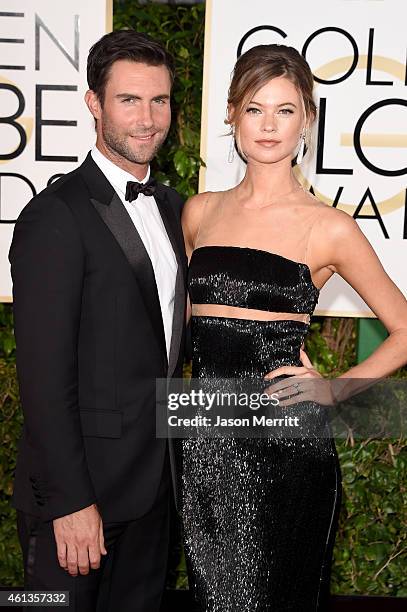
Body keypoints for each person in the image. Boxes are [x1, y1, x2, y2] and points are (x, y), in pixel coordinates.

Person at [180, 44, 407, 611]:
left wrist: (334, 389)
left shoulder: (328, 227)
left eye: (285, 110)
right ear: (231, 114)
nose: (269, 126)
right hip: (206, 451)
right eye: (255, 108)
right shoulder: (199, 213)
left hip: (289, 452)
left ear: (306, 118)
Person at [10, 30, 186, 612]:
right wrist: (70, 503)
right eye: (129, 100)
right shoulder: (54, 217)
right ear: (94, 104)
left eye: (159, 101)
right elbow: (42, 377)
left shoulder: (172, 208)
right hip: (79, 505)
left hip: (154, 487)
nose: (147, 119)